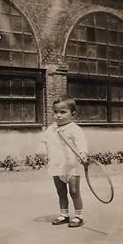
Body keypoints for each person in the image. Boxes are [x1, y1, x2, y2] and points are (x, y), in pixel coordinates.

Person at [36, 95, 88, 228]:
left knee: (74, 191)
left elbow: (81, 143)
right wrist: (41, 150)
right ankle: (64, 215)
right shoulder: (52, 128)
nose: (58, 115)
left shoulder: (74, 129)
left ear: (73, 114)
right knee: (61, 192)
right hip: (57, 165)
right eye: (55, 112)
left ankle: (78, 216)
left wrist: (83, 154)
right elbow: (44, 141)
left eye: (63, 112)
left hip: (72, 166)